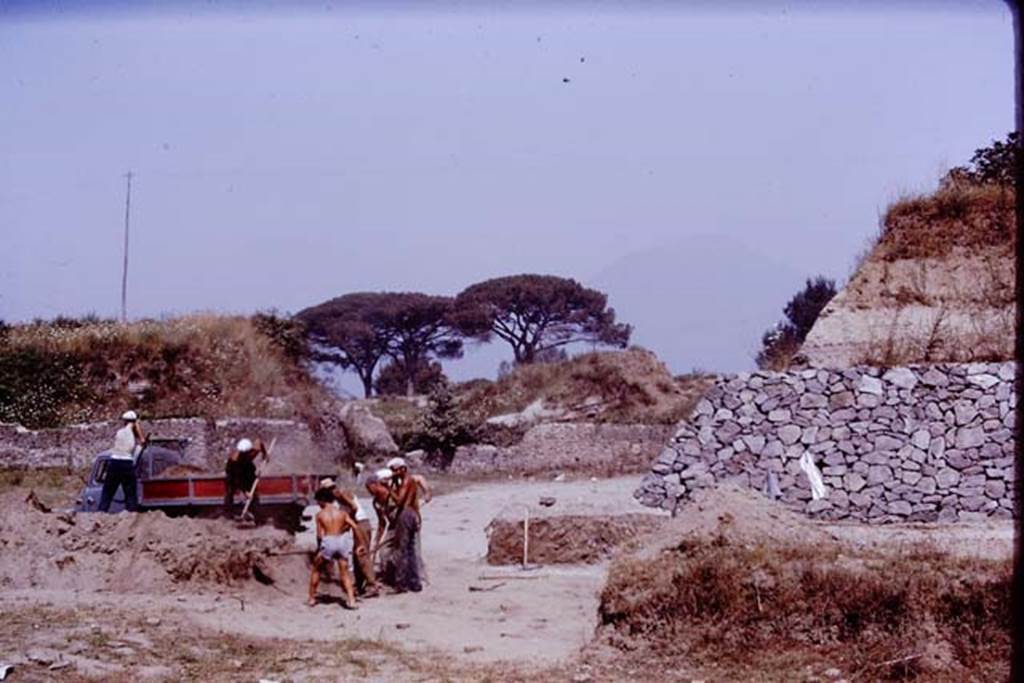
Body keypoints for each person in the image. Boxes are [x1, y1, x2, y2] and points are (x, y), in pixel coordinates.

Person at [319, 477, 380, 598]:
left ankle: (372, 586)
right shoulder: (339, 494)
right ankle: (360, 585)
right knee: (357, 556)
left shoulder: (340, 493)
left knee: (362, 555)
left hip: (361, 524)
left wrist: (346, 522)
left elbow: (354, 507)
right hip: (358, 525)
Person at [308, 486, 364, 610]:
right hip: (342, 541)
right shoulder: (342, 513)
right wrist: (360, 544)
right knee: (344, 573)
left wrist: (320, 549)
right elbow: (355, 527)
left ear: (322, 500)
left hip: (329, 540)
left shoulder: (320, 515)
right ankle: (351, 600)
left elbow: (319, 535)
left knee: (316, 569)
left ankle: (312, 598)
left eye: (318, 502)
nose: (318, 504)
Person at [386, 456, 425, 593]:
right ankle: (414, 582)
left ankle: (401, 583)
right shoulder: (409, 481)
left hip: (405, 514)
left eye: (395, 470)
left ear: (402, 469)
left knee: (401, 549)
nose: (393, 473)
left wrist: (388, 489)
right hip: (412, 514)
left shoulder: (407, 481)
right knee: (410, 549)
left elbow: (399, 501)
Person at [99, 410, 146, 512]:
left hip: (114, 463)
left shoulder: (119, 432)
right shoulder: (132, 435)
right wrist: (138, 429)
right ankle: (131, 514)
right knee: (130, 493)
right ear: (134, 423)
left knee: (107, 491)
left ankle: (101, 512)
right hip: (126, 464)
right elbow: (142, 441)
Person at [224, 438, 269, 516]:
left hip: (246, 468)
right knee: (230, 490)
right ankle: (229, 513)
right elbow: (237, 478)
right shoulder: (235, 461)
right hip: (233, 473)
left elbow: (259, 441)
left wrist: (265, 454)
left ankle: (255, 513)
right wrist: (245, 492)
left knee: (253, 494)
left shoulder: (252, 450)